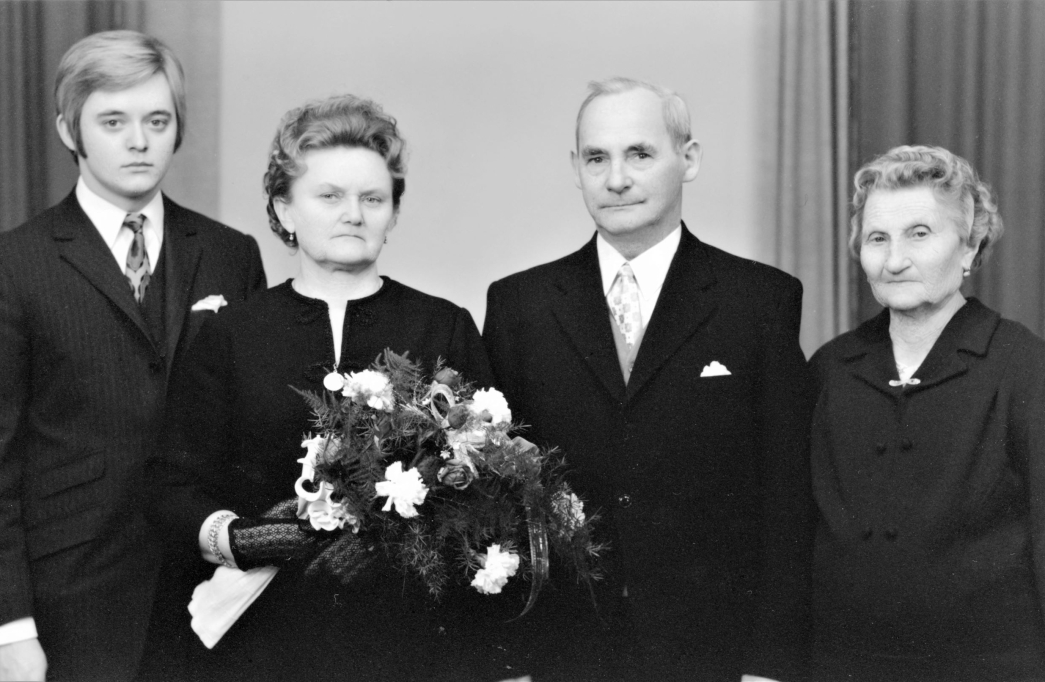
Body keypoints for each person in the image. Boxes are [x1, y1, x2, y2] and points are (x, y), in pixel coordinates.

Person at [0, 30, 266, 682]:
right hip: (68, 611)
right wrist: (6, 628)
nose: (139, 141)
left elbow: (255, 431)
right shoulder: (7, 267)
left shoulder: (232, 255)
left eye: (157, 121)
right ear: (69, 130)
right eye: (113, 121)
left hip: (213, 604)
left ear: (178, 129)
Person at [146, 95, 498, 682]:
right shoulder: (232, 335)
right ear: (284, 209)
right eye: (329, 196)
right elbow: (170, 487)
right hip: (261, 649)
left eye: (372, 199)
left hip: (408, 647)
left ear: (392, 213)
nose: (353, 214)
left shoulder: (442, 326)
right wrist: (238, 538)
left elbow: (485, 485)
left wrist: (395, 537)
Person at [483, 77, 814, 681]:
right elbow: (495, 506)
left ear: (689, 159)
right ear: (576, 168)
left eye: (639, 154)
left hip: (712, 652)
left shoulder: (759, 300)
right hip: (563, 653)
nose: (616, 179)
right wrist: (507, 665)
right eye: (596, 158)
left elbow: (787, 497)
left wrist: (771, 666)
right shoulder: (519, 306)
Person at [808, 145, 1045, 681]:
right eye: (877, 239)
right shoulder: (830, 368)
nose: (894, 261)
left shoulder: (1024, 366)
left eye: (919, 234)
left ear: (970, 246)